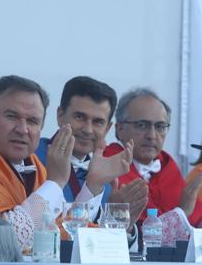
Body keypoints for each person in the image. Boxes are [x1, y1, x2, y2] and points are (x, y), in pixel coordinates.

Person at [0, 75, 102, 250]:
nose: (23, 130)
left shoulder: (34, 167)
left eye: (33, 121)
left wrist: (94, 186)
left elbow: (62, 229)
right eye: (11, 116)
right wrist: (55, 182)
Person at [35, 76, 148, 231]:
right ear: (60, 116)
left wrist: (118, 222)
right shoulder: (31, 159)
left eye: (98, 122)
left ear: (107, 128)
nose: (88, 129)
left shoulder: (107, 181)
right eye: (80, 117)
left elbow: (96, 246)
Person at [104, 88, 202, 246]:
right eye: (141, 125)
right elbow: (144, 238)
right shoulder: (110, 163)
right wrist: (182, 212)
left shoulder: (167, 166)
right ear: (119, 129)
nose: (152, 135)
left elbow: (198, 225)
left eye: (160, 126)